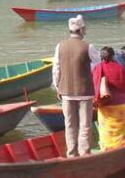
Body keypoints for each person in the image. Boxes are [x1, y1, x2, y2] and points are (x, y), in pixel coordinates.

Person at [52, 14, 100, 157]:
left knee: (69, 124)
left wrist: (57, 86)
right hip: (84, 91)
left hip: (65, 91)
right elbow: (97, 65)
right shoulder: (88, 47)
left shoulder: (60, 46)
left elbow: (56, 68)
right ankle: (84, 152)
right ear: (82, 29)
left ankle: (72, 153)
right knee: (85, 125)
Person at [92, 46, 125, 151]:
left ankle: (107, 151)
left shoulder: (97, 68)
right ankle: (123, 150)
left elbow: (94, 87)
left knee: (106, 131)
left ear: (101, 57)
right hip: (121, 106)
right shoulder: (120, 68)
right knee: (122, 131)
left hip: (106, 106)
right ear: (113, 56)